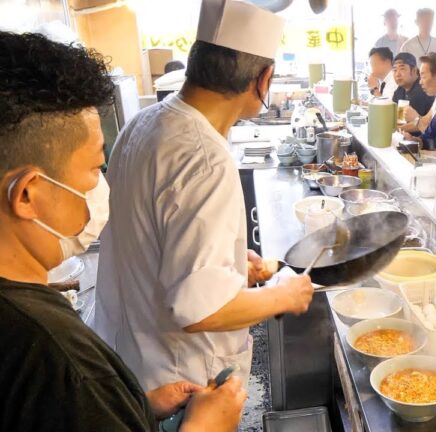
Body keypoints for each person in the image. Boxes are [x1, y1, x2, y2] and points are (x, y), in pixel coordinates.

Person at [0, 30, 244, 431]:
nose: (102, 187)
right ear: (28, 194)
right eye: (96, 169)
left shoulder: (28, 315)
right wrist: (207, 426)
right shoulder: (57, 358)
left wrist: (136, 408)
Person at [95, 1, 314, 391]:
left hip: (133, 359)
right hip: (185, 383)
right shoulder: (205, 158)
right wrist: (284, 295)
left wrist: (227, 266)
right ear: (264, 80)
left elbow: (156, 241)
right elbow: (200, 308)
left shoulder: (144, 123)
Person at [402, 52, 436, 134]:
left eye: (423, 77)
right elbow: (425, 121)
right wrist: (397, 129)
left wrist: (415, 118)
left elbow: (431, 132)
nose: (420, 82)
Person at [392, 52, 434, 116]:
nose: (397, 74)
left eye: (402, 69)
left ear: (414, 70)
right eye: (395, 70)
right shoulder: (399, 90)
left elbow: (415, 124)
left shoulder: (422, 90)